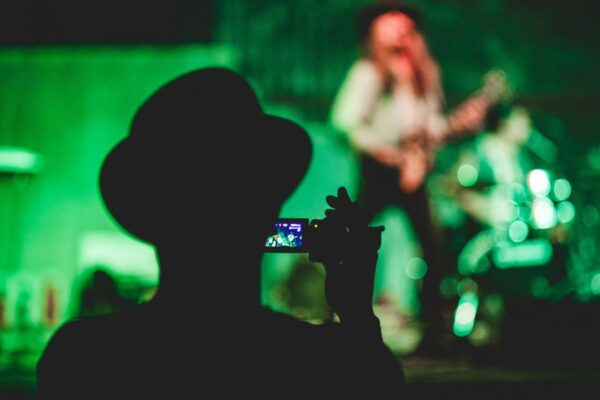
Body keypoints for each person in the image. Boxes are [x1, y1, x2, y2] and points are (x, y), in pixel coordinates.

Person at [37, 67, 404, 398]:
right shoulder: (323, 362)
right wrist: (355, 312)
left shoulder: (82, 357)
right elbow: (377, 382)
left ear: (149, 215)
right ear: (268, 210)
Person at [329, 1, 495, 355]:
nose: (400, 27)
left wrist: (457, 126)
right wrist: (388, 153)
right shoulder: (368, 72)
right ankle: (344, 323)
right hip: (378, 171)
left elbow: (430, 126)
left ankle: (435, 329)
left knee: (433, 248)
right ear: (375, 30)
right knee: (353, 242)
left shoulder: (423, 73)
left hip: (414, 170)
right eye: (390, 21)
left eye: (405, 22)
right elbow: (345, 121)